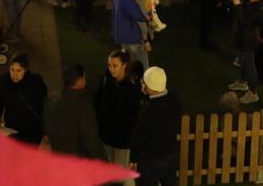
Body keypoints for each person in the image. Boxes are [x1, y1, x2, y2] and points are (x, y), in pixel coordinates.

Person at [95, 50, 143, 184]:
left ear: (124, 65)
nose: (111, 69)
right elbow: (98, 103)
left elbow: (135, 115)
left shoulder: (133, 86)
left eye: (115, 66)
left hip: (123, 140)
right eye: (109, 65)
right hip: (106, 136)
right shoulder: (106, 79)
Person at [129, 66, 181, 186]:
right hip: (171, 153)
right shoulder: (175, 100)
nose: (142, 84)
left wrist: (133, 160)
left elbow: (139, 137)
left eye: (145, 82)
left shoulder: (148, 111)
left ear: (150, 87)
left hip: (152, 159)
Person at [43, 64, 105, 160]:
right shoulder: (83, 106)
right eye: (84, 78)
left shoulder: (51, 100)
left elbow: (47, 126)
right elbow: (90, 141)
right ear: (79, 81)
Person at [0, 54, 46, 145]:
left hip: (32, 130)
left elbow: (44, 107)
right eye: (12, 70)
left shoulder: (36, 83)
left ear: (26, 70)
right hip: (13, 129)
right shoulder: (4, 82)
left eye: (19, 71)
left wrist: (45, 131)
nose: (14, 74)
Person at [229, 0, 263, 105]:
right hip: (242, 39)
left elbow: (244, 21)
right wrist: (237, 3)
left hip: (248, 41)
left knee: (249, 66)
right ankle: (242, 82)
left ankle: (253, 92)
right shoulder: (250, 2)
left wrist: (237, 5)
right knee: (243, 61)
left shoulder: (259, 9)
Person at [112, 0, 149, 70]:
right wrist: (147, 17)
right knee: (143, 65)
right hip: (131, 34)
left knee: (128, 65)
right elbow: (135, 13)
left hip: (124, 33)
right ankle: (146, 84)